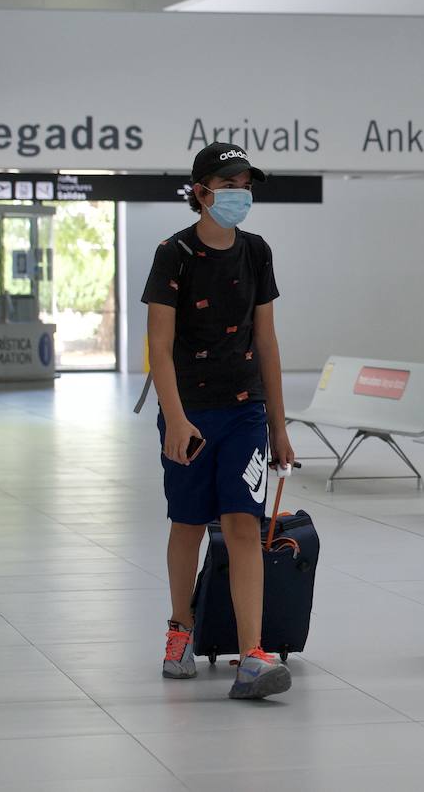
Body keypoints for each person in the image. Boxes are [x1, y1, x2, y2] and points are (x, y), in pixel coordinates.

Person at [142, 142, 295, 700]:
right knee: (186, 523)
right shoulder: (174, 253)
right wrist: (176, 419)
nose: (240, 194)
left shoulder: (257, 251)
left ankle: (251, 655)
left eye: (246, 185)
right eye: (228, 185)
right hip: (190, 412)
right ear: (201, 190)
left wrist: (278, 425)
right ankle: (180, 630)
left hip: (245, 412)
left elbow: (267, 340)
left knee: (242, 524)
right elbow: (159, 348)